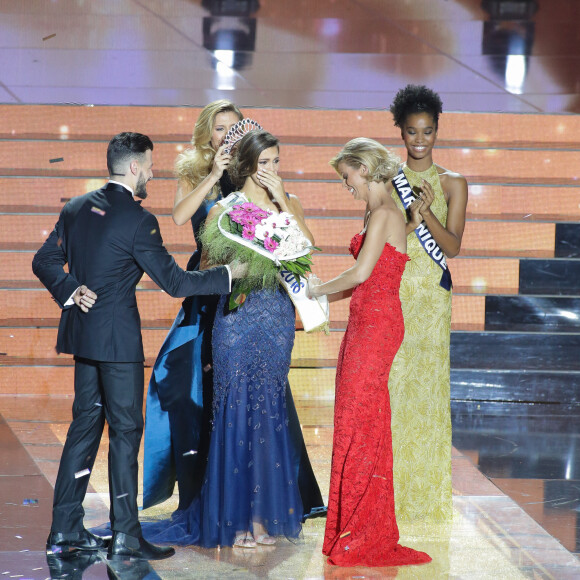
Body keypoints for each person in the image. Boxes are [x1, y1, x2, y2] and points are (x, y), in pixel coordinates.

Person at [33, 132, 243, 561]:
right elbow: (175, 283)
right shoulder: (137, 219)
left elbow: (44, 260)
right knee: (126, 434)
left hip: (83, 338)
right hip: (118, 346)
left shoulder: (76, 208)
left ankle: (64, 530)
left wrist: (71, 290)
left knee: (84, 429)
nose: (152, 172)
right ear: (133, 167)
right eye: (148, 165)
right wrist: (227, 275)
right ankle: (127, 535)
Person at [143, 128, 324, 549]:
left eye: (277, 162)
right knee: (236, 414)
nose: (271, 171)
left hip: (276, 321)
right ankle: (236, 519)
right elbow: (207, 268)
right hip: (236, 323)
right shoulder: (225, 210)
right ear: (246, 165)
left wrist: (282, 202)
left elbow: (306, 250)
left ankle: (263, 518)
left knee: (269, 413)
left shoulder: (288, 204)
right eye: (265, 164)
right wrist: (237, 268)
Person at [306, 138, 431, 567]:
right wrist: (318, 303)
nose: (347, 185)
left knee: (360, 420)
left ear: (364, 167)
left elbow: (361, 271)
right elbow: (369, 276)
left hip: (376, 328)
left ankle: (364, 527)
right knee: (362, 419)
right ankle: (359, 522)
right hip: (367, 322)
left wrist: (313, 288)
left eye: (347, 177)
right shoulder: (385, 213)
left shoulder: (383, 212)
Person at [143, 100, 243, 511]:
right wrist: (215, 175)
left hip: (244, 286)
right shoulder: (191, 170)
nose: (227, 136)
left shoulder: (254, 166)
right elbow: (180, 217)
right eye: (220, 128)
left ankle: (239, 482)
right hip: (205, 286)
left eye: (234, 129)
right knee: (190, 382)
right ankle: (197, 484)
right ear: (207, 133)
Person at [387, 84, 468, 522]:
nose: (420, 140)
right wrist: (409, 214)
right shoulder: (387, 179)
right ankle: (393, 496)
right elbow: (384, 237)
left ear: (438, 132)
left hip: (432, 299)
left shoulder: (454, 183)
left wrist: (428, 211)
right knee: (396, 392)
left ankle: (425, 500)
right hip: (396, 293)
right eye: (413, 132)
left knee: (429, 394)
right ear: (400, 131)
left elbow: (452, 248)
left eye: (429, 132)